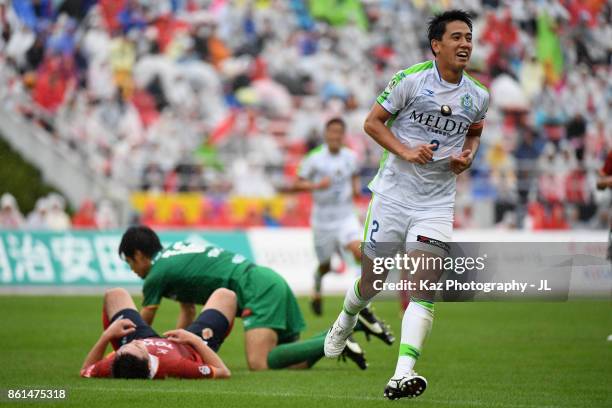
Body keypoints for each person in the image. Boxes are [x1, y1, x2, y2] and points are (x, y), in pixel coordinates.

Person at [324, 10, 490, 400]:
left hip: (436, 203)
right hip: (393, 197)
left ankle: (403, 373)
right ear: (437, 45)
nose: (465, 43)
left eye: (469, 37)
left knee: (422, 289)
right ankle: (346, 319)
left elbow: (474, 134)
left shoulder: (479, 96)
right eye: (456, 37)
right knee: (373, 282)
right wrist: (405, 150)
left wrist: (467, 156)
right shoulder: (409, 80)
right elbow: (372, 122)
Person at [118, 225, 385, 371]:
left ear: (140, 255)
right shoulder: (174, 255)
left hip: (256, 289)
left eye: (130, 262)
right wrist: (181, 352)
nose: (133, 269)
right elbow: (187, 312)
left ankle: (342, 332)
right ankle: (342, 333)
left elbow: (140, 326)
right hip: (266, 280)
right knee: (291, 365)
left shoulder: (157, 273)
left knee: (259, 363)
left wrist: (128, 353)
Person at [80, 287, 232, 379]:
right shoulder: (176, 366)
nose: (135, 342)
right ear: (149, 363)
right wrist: (194, 340)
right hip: (190, 346)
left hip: (145, 335)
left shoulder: (115, 364)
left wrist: (107, 335)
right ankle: (194, 320)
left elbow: (85, 370)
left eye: (123, 349)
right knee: (226, 296)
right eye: (139, 347)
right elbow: (223, 372)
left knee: (115, 294)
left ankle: (187, 314)